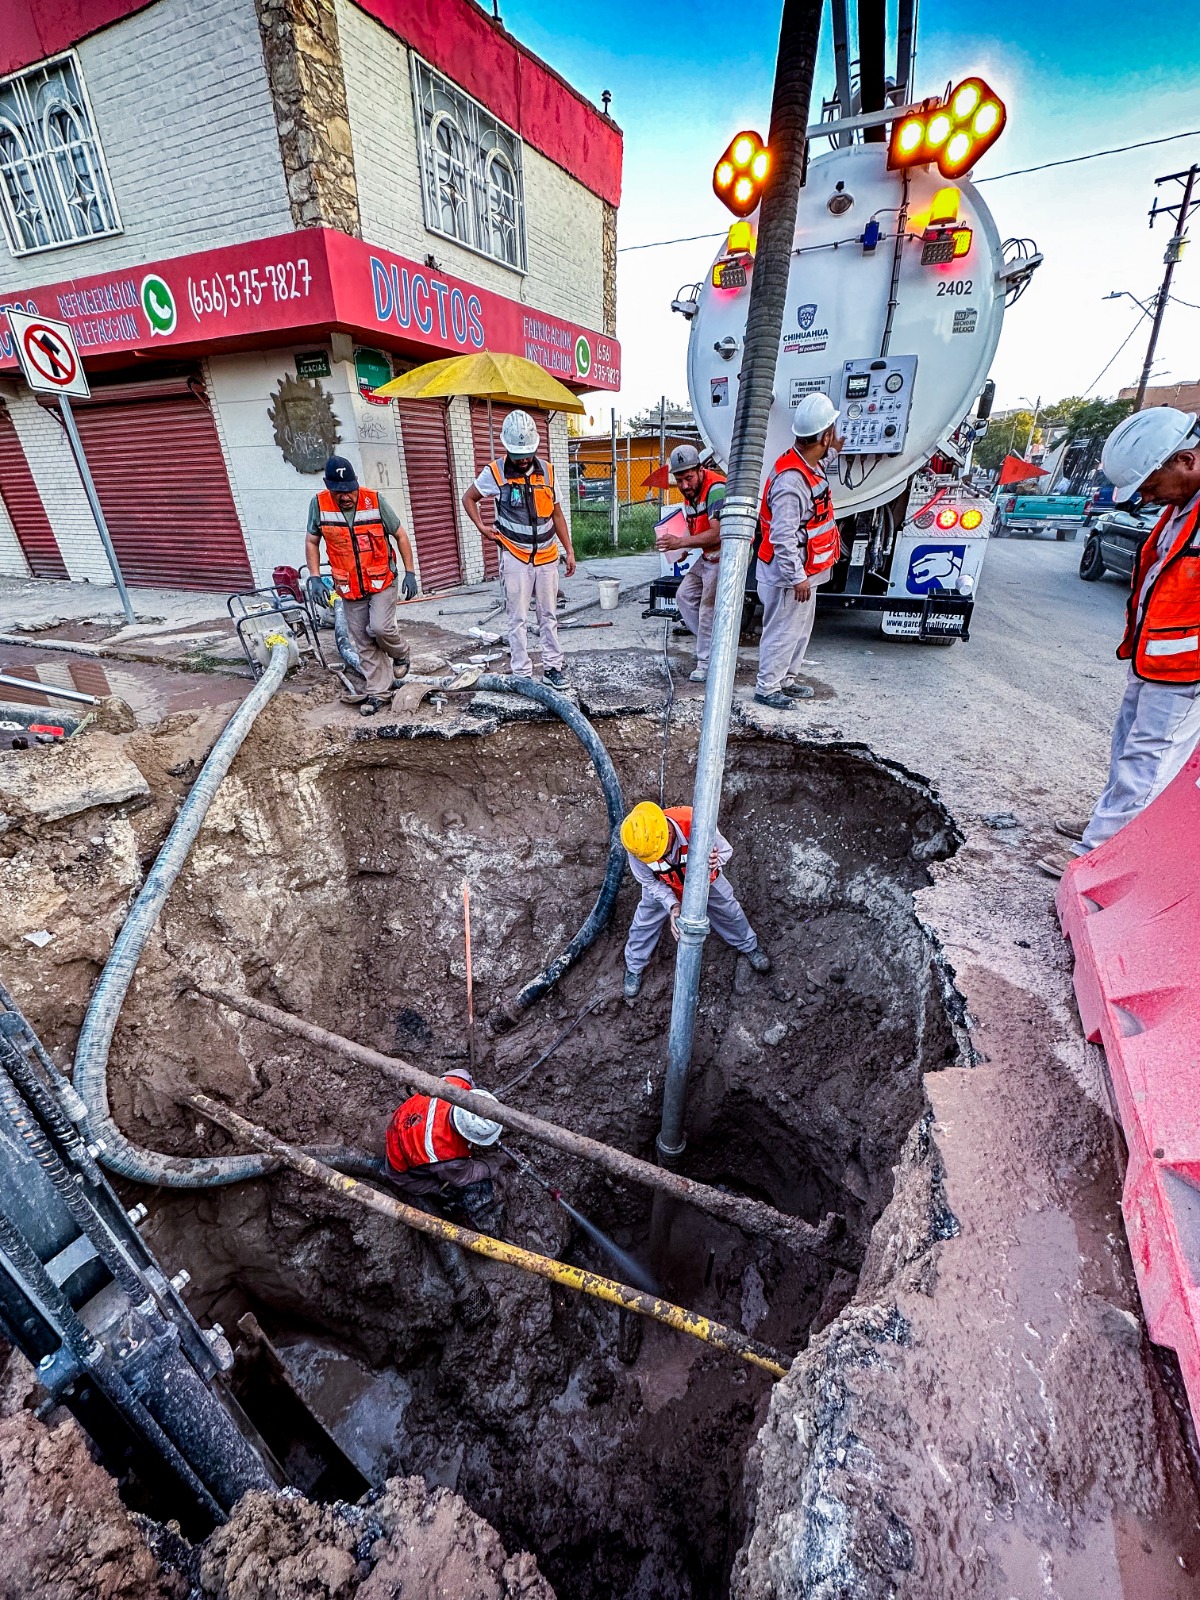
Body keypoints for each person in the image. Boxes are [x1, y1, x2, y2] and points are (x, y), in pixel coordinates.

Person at [1039, 407, 1200, 877]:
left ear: (1185, 461)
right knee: (1127, 746)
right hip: (1157, 656)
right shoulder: (1181, 507)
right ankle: (1107, 825)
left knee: (1149, 761)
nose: (1146, 497)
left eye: (1149, 486)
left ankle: (1099, 859)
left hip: (1187, 669)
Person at [462, 411, 577, 688]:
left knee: (549, 615)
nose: (524, 459)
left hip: (548, 556)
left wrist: (569, 551)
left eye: (528, 453)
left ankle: (552, 667)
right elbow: (469, 498)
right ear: (507, 448)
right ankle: (522, 673)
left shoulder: (548, 471)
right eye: (518, 454)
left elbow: (558, 515)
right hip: (515, 555)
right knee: (518, 617)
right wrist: (481, 527)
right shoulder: (495, 472)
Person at [619, 800, 770, 999]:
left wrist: (716, 862)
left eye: (661, 852)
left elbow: (726, 851)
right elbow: (648, 882)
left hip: (706, 879)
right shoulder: (639, 847)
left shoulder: (695, 823)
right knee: (644, 922)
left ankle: (749, 946)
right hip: (663, 883)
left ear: (668, 832)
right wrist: (672, 904)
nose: (659, 857)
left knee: (729, 911)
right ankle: (634, 966)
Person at [305, 456, 418, 716]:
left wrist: (410, 572)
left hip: (382, 580)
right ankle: (379, 692)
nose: (345, 497)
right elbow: (312, 541)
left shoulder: (374, 501)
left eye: (349, 491)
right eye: (339, 492)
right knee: (364, 641)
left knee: (379, 626)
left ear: (356, 484)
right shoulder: (319, 505)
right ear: (329, 487)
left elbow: (400, 535)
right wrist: (313, 577)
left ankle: (401, 652)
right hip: (349, 585)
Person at [754, 393, 843, 710]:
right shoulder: (791, 481)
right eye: (831, 429)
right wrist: (797, 578)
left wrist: (833, 453)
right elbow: (782, 536)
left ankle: (786, 681)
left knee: (799, 630)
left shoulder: (807, 464)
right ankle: (767, 687)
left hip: (807, 570)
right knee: (782, 631)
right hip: (789, 574)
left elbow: (818, 468)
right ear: (824, 434)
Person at [656, 444, 726, 683]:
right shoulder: (690, 495)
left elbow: (717, 534)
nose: (684, 485)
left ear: (699, 469)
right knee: (684, 596)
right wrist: (683, 550)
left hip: (722, 556)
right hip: (707, 555)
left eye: (688, 478)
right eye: (679, 480)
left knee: (708, 609)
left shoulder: (715, 489)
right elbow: (695, 527)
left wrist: (681, 542)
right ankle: (717, 647)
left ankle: (707, 663)